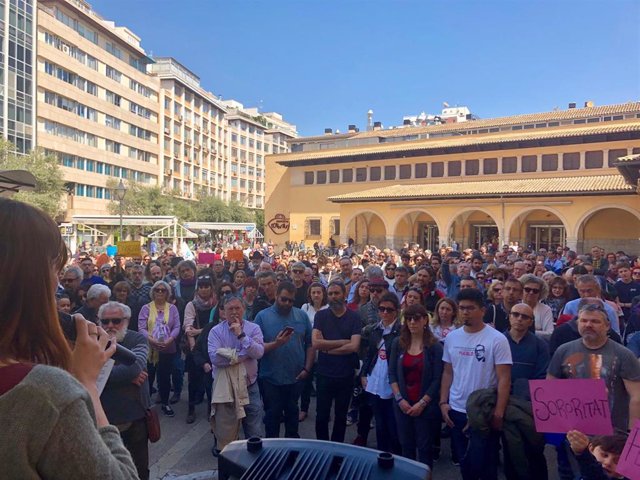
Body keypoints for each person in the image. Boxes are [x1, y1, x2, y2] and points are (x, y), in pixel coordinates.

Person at [0, 197, 138, 478]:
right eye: (55, 270)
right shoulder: (46, 393)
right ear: (30, 278)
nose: (59, 284)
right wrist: (85, 382)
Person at [440, 288, 512, 479]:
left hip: (484, 411)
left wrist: (499, 412)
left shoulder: (497, 339)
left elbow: (504, 378)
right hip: (456, 409)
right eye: (462, 308)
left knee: (487, 465)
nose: (465, 312)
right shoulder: (452, 338)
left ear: (482, 310)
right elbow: (448, 372)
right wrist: (443, 402)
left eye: (470, 308)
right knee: (465, 464)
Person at [548, 302, 640, 433]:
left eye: (595, 321)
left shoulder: (623, 355)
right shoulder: (563, 351)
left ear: (607, 326)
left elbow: (636, 396)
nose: (588, 325)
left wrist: (632, 433)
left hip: (613, 433)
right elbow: (551, 387)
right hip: (573, 431)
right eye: (584, 320)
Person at [99, 301, 151, 480]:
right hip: (104, 421)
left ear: (127, 321)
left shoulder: (138, 339)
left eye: (116, 320)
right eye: (105, 322)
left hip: (134, 418)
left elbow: (134, 367)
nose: (110, 326)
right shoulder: (91, 344)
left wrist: (100, 374)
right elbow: (82, 375)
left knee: (139, 470)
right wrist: (126, 377)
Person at [255, 282, 314, 438]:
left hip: (295, 377)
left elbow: (310, 344)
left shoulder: (301, 316)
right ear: (276, 296)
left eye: (291, 301)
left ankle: (291, 454)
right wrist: (276, 344)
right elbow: (255, 348)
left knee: (292, 418)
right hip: (270, 378)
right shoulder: (262, 317)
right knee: (272, 419)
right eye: (284, 299)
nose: (287, 303)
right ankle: (271, 455)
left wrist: (307, 369)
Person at [208, 294, 265, 452]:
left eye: (237, 308)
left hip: (249, 387)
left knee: (254, 431)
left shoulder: (253, 329)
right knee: (226, 436)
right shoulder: (215, 332)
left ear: (244, 309)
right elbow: (215, 358)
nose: (234, 312)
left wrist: (241, 336)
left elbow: (259, 353)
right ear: (223, 312)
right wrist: (244, 355)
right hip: (225, 389)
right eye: (230, 309)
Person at [389, 303, 443, 468]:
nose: (412, 322)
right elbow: (392, 374)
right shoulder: (398, 343)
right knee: (406, 447)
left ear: (425, 320)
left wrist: (422, 403)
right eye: (409, 319)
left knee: (425, 449)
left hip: (425, 406)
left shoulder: (435, 347)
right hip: (402, 405)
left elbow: (437, 379)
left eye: (416, 318)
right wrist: (399, 399)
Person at [503, 303, 550, 480]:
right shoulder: (499, 341)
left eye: (525, 317)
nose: (519, 319)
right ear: (509, 316)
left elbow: (542, 375)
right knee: (510, 450)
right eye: (516, 314)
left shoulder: (540, 345)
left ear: (531, 321)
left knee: (534, 450)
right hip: (504, 404)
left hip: (530, 407)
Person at [312, 280, 361, 442]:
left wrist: (327, 348)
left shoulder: (354, 317)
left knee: (341, 417)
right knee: (322, 416)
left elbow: (354, 346)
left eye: (337, 293)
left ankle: (337, 450)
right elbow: (316, 343)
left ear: (344, 295)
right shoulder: (321, 315)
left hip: (345, 375)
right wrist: (342, 342)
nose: (333, 297)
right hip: (324, 374)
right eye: (331, 294)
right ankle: (322, 448)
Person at [360, 292, 402, 454]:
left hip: (391, 383)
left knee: (393, 425)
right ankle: (382, 455)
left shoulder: (401, 332)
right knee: (380, 423)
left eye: (389, 310)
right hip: (374, 380)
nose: (385, 313)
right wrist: (363, 374)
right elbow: (369, 354)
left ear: (396, 312)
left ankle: (396, 457)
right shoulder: (375, 329)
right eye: (382, 309)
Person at [138, 280, 181, 417]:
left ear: (168, 293)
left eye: (163, 290)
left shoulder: (172, 308)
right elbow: (141, 327)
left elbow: (177, 326)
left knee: (164, 377)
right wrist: (151, 340)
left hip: (167, 348)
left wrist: (170, 340)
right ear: (153, 292)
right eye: (157, 290)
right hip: (150, 349)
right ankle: (146, 405)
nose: (160, 292)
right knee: (148, 377)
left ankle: (165, 403)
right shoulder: (146, 308)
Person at [183, 274, 217, 424]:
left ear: (211, 287)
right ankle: (191, 409)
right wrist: (193, 346)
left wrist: (199, 331)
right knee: (193, 380)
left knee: (210, 379)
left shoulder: (216, 303)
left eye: (206, 286)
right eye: (201, 286)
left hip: (212, 345)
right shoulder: (192, 305)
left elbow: (216, 326)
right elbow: (188, 328)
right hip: (196, 347)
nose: (204, 290)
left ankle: (211, 409)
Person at [299, 282, 327, 421]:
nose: (316, 295)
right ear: (310, 294)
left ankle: (321, 411)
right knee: (306, 380)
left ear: (323, 294)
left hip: (323, 350)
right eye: (313, 292)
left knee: (322, 383)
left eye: (319, 292)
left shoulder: (328, 308)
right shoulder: (305, 307)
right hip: (308, 349)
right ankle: (303, 409)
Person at [520, 274, 554, 339]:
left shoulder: (545, 309)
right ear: (522, 290)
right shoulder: (515, 306)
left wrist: (524, 332)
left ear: (540, 293)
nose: (531, 292)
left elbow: (550, 333)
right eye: (527, 289)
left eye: (535, 291)